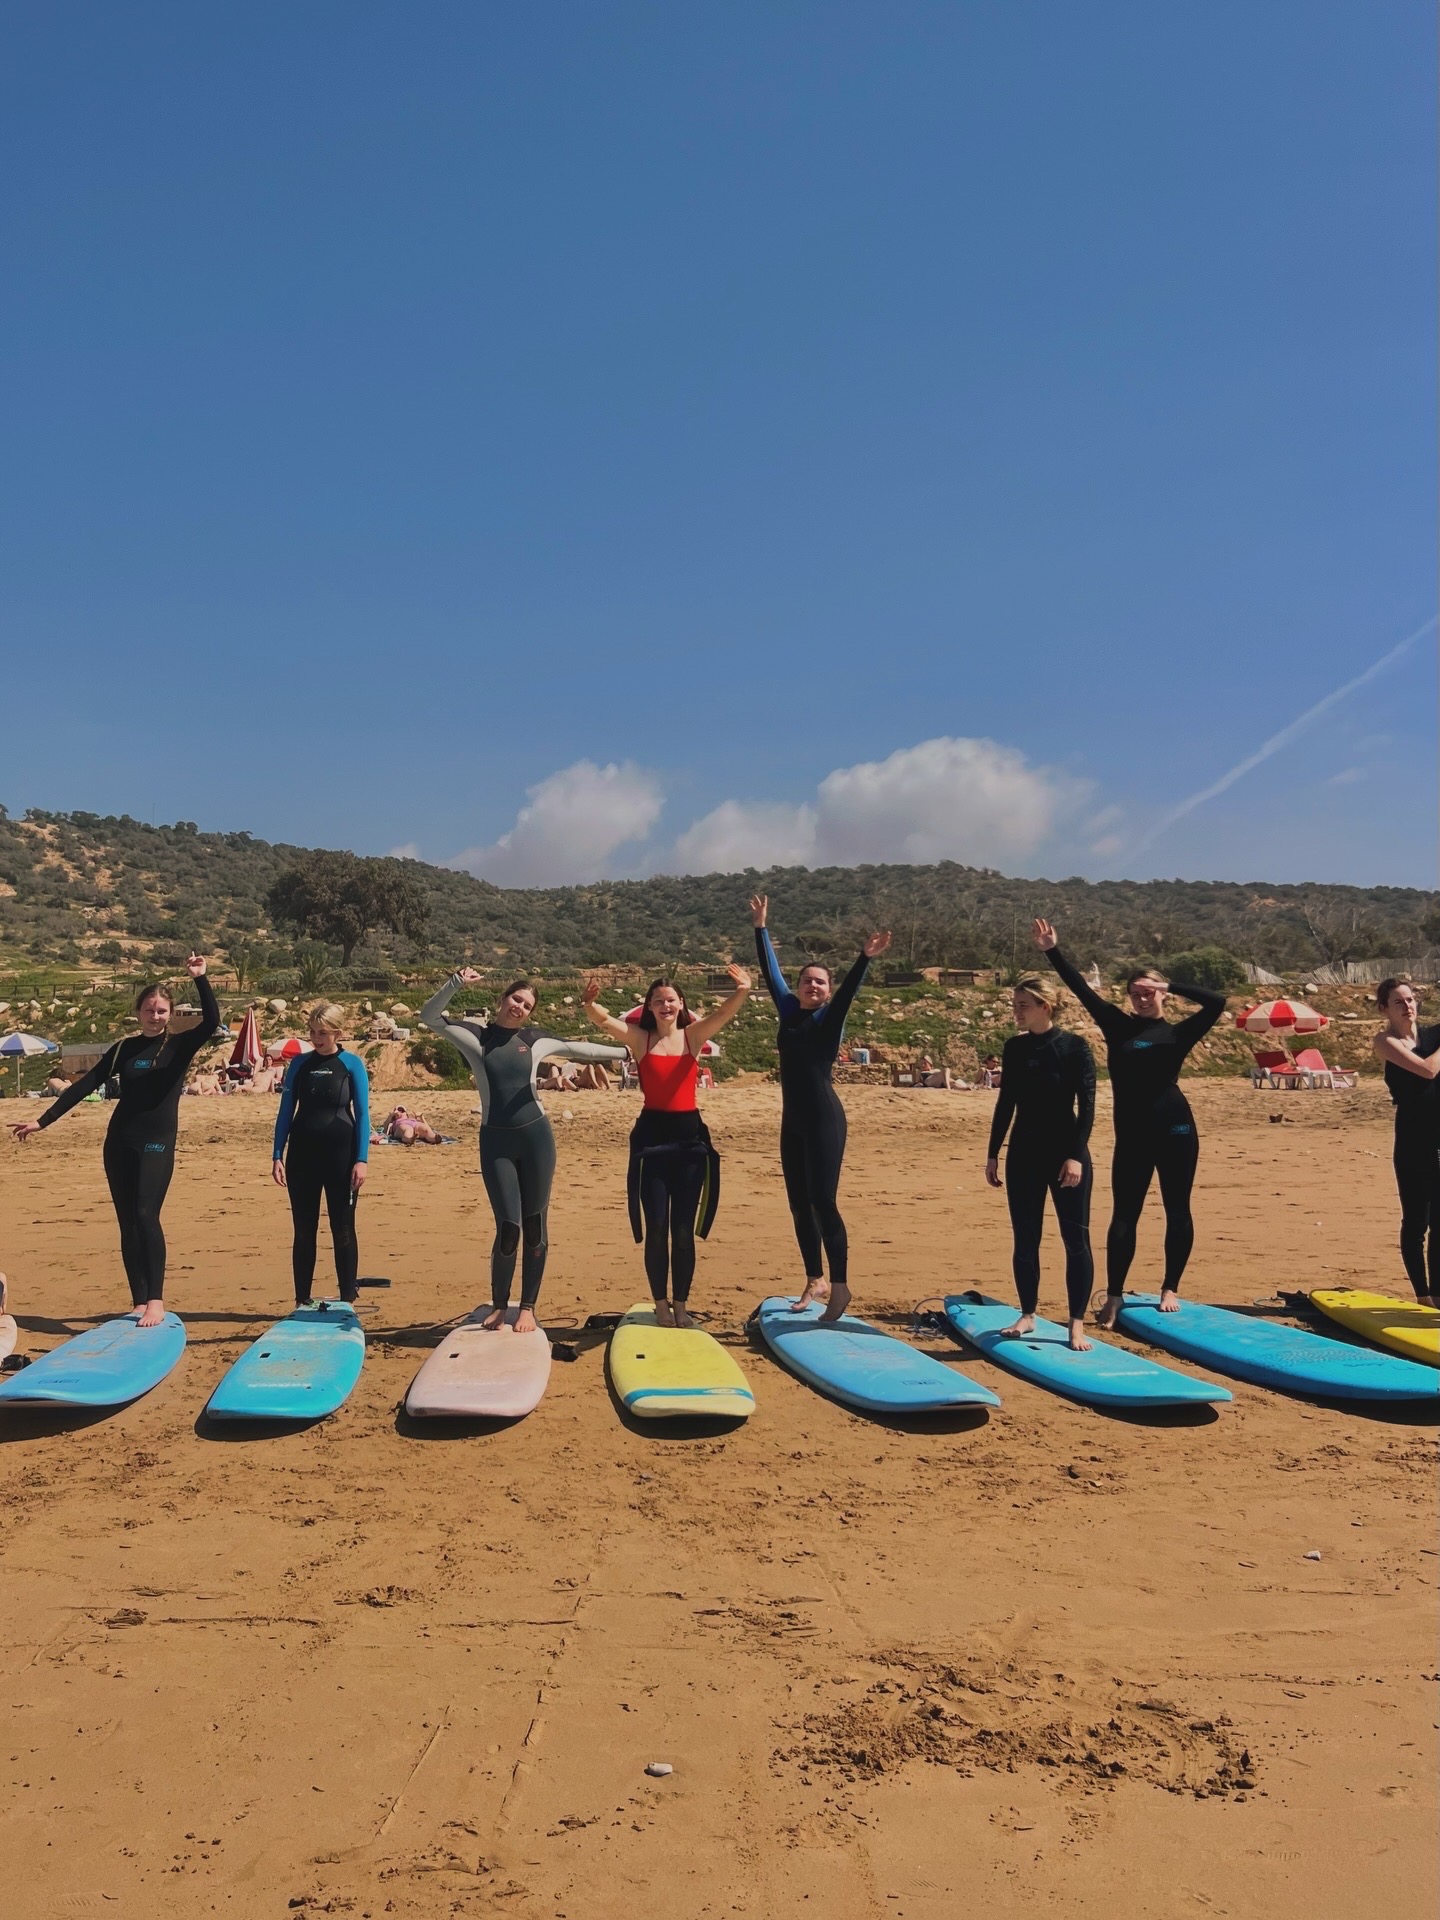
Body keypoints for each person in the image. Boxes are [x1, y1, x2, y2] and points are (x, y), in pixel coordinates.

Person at [11, 954, 220, 1327]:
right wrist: (43, 1121)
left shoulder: (181, 1045)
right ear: (138, 1011)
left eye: (161, 1010)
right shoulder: (123, 1049)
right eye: (149, 1009)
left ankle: (156, 1300)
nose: (155, 1016)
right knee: (127, 1222)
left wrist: (200, 978)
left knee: (145, 1215)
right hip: (119, 1142)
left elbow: (214, 1021)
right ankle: (138, 1301)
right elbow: (85, 1086)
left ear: (170, 1013)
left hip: (157, 1142)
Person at [1035, 918, 1225, 1327]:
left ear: (1162, 996)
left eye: (1149, 993)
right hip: (1133, 1135)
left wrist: (1169, 985)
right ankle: (1116, 1295)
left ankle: (1170, 1287)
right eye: (1136, 993)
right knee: (1125, 1214)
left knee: (1178, 1208)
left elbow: (1217, 1002)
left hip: (1177, 1129)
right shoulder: (1116, 1025)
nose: (1142, 999)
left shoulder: (1178, 1032)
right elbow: (1080, 990)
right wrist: (1052, 951)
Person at [421, 969, 626, 1332]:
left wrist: (629, 1050)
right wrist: (454, 982)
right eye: (516, 999)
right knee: (509, 1226)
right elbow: (429, 1017)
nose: (520, 1007)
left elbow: (582, 1049)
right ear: (503, 998)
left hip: (536, 1140)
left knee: (534, 1224)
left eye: (527, 1005)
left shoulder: (535, 1040)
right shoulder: (476, 1037)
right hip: (495, 1141)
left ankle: (528, 1306)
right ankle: (500, 1305)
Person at [582, 967, 752, 1327]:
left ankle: (680, 1305)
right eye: (658, 1000)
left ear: (681, 1004)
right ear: (649, 1006)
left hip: (689, 1140)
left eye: (671, 1000)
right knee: (657, 1227)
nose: (665, 1005)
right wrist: (588, 1003)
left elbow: (722, 1014)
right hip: (652, 1138)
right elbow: (606, 1022)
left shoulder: (693, 1037)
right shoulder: (641, 1040)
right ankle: (659, 1304)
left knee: (682, 1229)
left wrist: (743, 989)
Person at [749, 895, 891, 1321]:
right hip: (791, 1121)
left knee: (823, 1203)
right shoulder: (788, 1010)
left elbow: (848, 993)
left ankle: (841, 1286)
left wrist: (863, 959)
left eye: (821, 983)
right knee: (798, 1203)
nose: (814, 986)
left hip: (825, 1120)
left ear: (828, 991)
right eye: (807, 981)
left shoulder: (829, 1018)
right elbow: (770, 973)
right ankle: (816, 1278)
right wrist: (761, 928)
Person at [984, 975, 1096, 1350]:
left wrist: (1075, 1156)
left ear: (1044, 1007)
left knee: (1075, 1239)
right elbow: (1006, 1103)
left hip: (1067, 1156)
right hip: (1024, 1154)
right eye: (1014, 1005)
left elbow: (1087, 1108)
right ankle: (1028, 1314)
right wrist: (993, 1152)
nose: (1015, 1011)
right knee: (1025, 1238)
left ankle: (1076, 1323)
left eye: (1022, 1005)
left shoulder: (1075, 1047)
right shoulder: (1014, 1049)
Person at [271, 1004, 370, 1306]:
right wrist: (277, 1154)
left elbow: (363, 1114)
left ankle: (347, 1298)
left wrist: (362, 1159)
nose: (316, 1038)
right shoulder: (299, 1065)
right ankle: (302, 1299)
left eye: (323, 1033)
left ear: (338, 1032)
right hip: (302, 1156)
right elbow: (286, 1111)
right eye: (312, 1032)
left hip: (342, 1157)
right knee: (304, 1230)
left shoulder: (352, 1064)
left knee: (342, 1228)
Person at [1372, 978, 1440, 1303]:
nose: (1408, 1006)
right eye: (1398, 1002)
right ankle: (1422, 1294)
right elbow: (1427, 1070)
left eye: (1410, 999)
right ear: (1384, 1009)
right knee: (1416, 1223)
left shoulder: (1434, 1035)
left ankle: (1438, 1297)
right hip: (1413, 1140)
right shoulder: (1385, 1041)